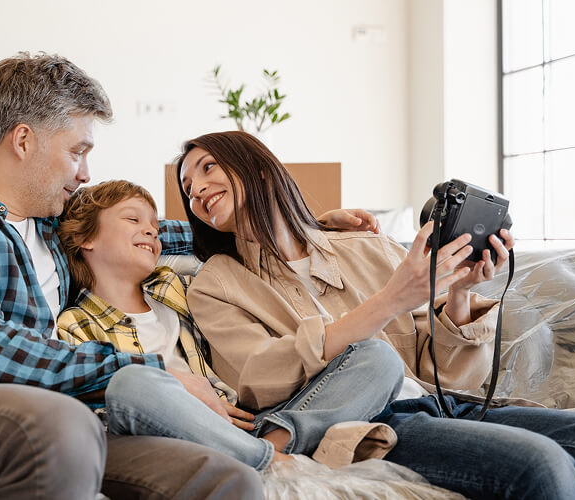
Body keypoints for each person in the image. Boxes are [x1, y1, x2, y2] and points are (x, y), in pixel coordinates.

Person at [0, 53, 265, 500]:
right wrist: (146, 370)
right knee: (62, 425)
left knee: (225, 478)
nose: (85, 174)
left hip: (49, 420)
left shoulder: (51, 227)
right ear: (23, 140)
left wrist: (301, 224)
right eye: (77, 151)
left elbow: (153, 236)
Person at [175, 130, 575, 500]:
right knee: (541, 466)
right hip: (363, 420)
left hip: (443, 405)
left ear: (260, 167)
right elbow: (258, 376)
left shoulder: (366, 246)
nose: (196, 190)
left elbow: (451, 379)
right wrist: (389, 301)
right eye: (188, 188)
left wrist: (458, 291)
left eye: (207, 168)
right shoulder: (215, 283)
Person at [54, 179, 401, 472]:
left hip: (250, 421)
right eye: (133, 219)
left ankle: (275, 446)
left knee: (379, 358)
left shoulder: (183, 288)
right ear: (85, 238)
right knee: (130, 383)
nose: (150, 230)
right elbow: (100, 404)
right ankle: (271, 462)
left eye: (155, 227)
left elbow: (232, 237)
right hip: (174, 431)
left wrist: (306, 226)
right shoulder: (75, 323)